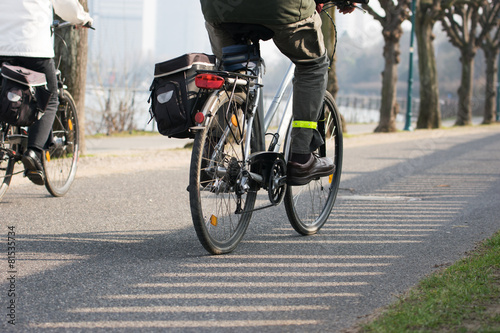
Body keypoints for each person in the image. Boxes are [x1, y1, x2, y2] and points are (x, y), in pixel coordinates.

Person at [200, 0, 355, 185]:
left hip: (220, 7)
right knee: (312, 65)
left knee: (234, 75)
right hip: (281, 6)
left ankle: (209, 153)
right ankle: (301, 157)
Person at [0, 0, 93, 185]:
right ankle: (34, 152)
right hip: (33, 48)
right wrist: (82, 18)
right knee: (49, 98)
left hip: (2, 47)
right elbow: (66, 4)